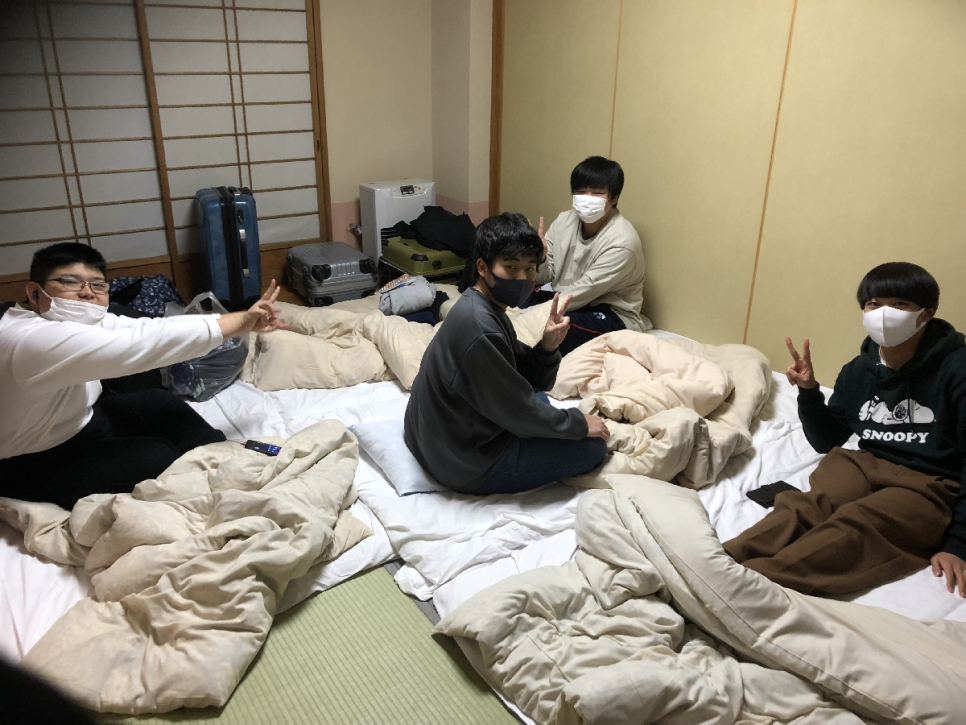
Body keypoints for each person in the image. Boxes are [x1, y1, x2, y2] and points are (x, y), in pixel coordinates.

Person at [723, 262, 966, 598]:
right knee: (806, 506)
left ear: (927, 313)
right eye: (874, 304)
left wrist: (958, 544)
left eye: (900, 304)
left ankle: (747, 587)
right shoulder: (858, 370)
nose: (884, 314)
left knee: (859, 523)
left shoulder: (957, 370)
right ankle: (719, 560)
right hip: (862, 462)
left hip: (929, 479)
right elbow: (827, 440)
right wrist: (809, 391)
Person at [0, 242, 286, 510]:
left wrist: (237, 320)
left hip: (80, 422)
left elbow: (142, 329)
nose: (87, 293)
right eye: (70, 282)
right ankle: (206, 483)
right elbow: (140, 343)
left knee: (158, 402)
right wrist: (242, 321)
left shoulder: (75, 321)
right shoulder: (29, 339)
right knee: (156, 456)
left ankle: (222, 456)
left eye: (97, 285)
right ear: (34, 293)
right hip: (30, 462)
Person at [404, 213, 610, 495]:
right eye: (511, 267)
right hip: (464, 463)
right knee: (593, 447)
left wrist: (547, 347)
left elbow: (522, 374)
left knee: (539, 399)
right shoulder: (480, 327)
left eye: (530, 269)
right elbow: (520, 411)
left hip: (434, 435)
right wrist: (578, 424)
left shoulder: (480, 304)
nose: (522, 278)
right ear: (482, 267)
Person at [531, 155, 650, 356]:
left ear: (614, 198)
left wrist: (530, 315)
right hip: (569, 299)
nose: (587, 198)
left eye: (597, 193)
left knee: (549, 330)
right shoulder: (564, 221)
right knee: (512, 296)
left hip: (610, 313)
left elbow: (579, 294)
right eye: (580, 192)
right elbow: (545, 277)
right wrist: (539, 258)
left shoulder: (622, 242)